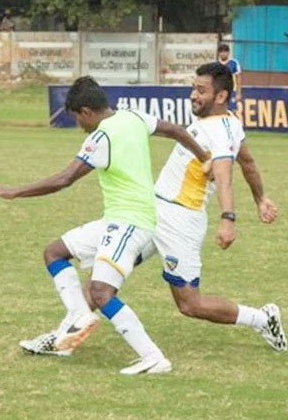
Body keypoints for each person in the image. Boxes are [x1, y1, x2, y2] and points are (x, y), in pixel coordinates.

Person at [0, 76, 210, 375]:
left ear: (87, 111)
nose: (79, 125)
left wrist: (16, 192)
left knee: (101, 294)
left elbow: (64, 180)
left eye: (78, 118)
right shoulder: (133, 116)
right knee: (55, 252)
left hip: (131, 222)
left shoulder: (101, 138)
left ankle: (154, 357)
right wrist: (204, 157)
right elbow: (176, 130)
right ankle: (76, 320)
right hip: (118, 220)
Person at [64, 63, 286, 358]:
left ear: (220, 96)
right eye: (194, 88)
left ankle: (262, 319)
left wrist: (229, 218)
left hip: (181, 220)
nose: (193, 95)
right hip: (152, 211)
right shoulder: (229, 122)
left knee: (189, 304)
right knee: (104, 277)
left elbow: (224, 173)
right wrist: (261, 198)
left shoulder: (219, 131)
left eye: (201, 90)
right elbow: (247, 161)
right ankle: (62, 336)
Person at [217, 44, 242, 112]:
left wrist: (238, 93)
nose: (223, 54)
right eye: (221, 52)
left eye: (225, 52)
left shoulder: (234, 63)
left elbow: (238, 78)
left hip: (231, 91)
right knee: (221, 111)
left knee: (233, 111)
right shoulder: (216, 64)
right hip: (220, 92)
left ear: (228, 53)